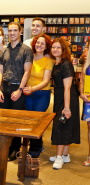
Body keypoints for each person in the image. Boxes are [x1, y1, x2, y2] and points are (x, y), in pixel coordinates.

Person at [0, 22, 33, 161]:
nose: (12, 33)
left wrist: (20, 90)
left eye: (15, 30)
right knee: (4, 120)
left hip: (18, 88)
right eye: (10, 30)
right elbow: (0, 71)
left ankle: (15, 149)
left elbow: (27, 72)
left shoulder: (26, 50)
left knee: (15, 121)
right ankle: (5, 146)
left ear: (20, 31)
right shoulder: (4, 50)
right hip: (4, 88)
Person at [49, 38, 80, 170]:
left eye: (58, 48)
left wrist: (67, 108)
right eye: (53, 47)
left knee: (60, 126)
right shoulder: (57, 62)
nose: (55, 49)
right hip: (60, 97)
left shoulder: (66, 64)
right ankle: (65, 154)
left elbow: (67, 87)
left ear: (63, 50)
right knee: (65, 125)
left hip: (67, 99)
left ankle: (59, 157)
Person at [23, 34, 53, 158]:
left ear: (46, 46)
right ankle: (36, 145)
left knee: (37, 121)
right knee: (29, 122)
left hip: (42, 94)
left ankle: (34, 151)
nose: (39, 45)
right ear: (34, 44)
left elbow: (46, 81)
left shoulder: (48, 61)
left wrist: (32, 89)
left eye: (42, 43)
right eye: (38, 42)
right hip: (27, 93)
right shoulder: (29, 57)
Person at [80, 42, 90, 166]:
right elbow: (82, 79)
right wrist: (82, 93)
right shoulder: (87, 61)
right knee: (89, 127)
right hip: (88, 99)